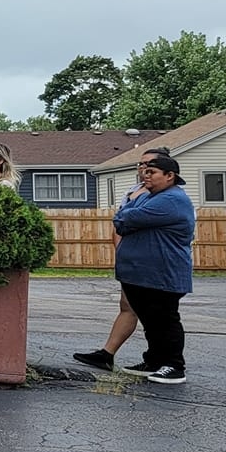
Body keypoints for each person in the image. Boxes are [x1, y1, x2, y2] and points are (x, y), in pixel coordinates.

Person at [71, 149, 169, 371]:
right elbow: (120, 222)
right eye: (141, 164)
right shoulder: (135, 190)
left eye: (150, 165)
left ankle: (162, 361)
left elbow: (132, 221)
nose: (144, 169)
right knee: (129, 306)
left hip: (151, 262)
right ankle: (107, 354)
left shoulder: (163, 195)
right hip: (130, 259)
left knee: (155, 312)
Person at [112, 151, 194, 384]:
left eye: (152, 172)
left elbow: (125, 219)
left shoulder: (171, 200)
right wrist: (127, 215)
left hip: (163, 272)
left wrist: (126, 216)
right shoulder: (149, 196)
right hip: (142, 274)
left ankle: (174, 365)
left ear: (170, 176)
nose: (145, 176)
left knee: (164, 319)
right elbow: (121, 220)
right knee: (151, 320)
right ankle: (155, 360)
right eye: (144, 171)